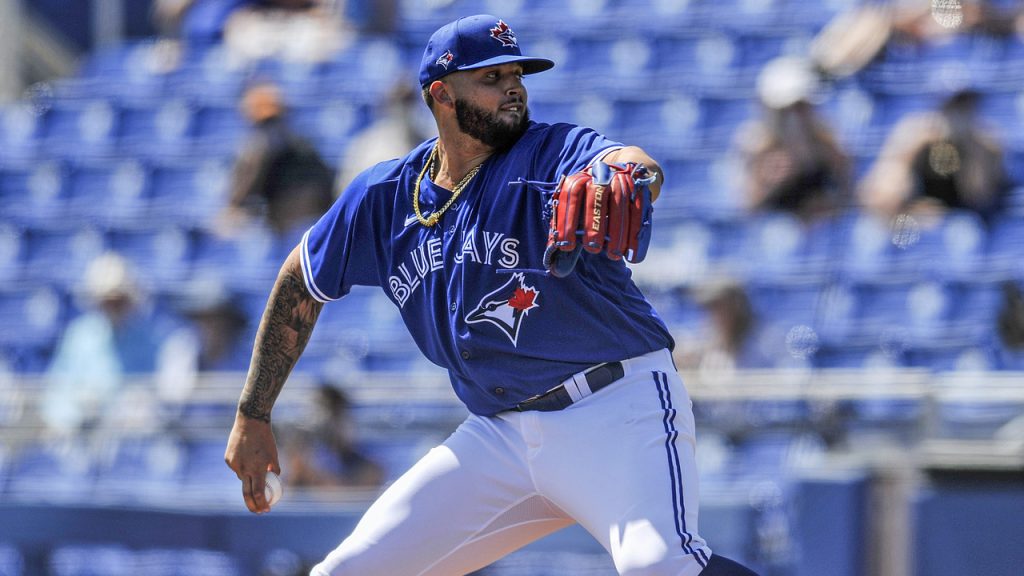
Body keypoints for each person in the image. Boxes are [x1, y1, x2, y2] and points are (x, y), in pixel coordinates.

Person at [225, 14, 759, 576]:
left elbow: (630, 162)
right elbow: (299, 285)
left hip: (614, 409)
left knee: (660, 566)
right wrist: (254, 413)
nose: (513, 86)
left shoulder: (549, 153)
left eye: (517, 75)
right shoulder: (383, 197)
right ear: (441, 95)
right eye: (492, 76)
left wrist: (628, 178)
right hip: (499, 434)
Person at [41, 252, 179, 435]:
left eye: (118, 301)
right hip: (83, 438)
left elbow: (166, 395)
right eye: (107, 301)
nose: (113, 308)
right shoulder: (79, 336)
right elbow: (55, 395)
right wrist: (79, 413)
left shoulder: (152, 339)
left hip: (137, 439)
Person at [858, 88, 1008, 221]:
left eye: (962, 105)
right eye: (950, 106)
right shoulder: (912, 132)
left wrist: (971, 148)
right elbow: (879, 197)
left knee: (963, 232)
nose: (954, 116)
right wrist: (910, 153)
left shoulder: (985, 141)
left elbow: (978, 197)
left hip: (963, 220)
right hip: (913, 217)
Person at [735, 57, 850, 222]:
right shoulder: (754, 145)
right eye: (786, 110)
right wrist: (771, 182)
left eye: (800, 107)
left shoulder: (826, 141)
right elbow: (748, 207)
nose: (794, 117)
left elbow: (845, 195)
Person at [220, 80, 336, 237]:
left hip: (294, 210)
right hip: (314, 208)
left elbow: (256, 168)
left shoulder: (268, 135)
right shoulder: (291, 134)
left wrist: (235, 204)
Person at [276, 384, 385, 490]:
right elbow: (288, 495)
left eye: (335, 414)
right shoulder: (299, 454)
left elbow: (358, 492)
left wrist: (314, 477)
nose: (326, 421)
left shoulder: (364, 463)